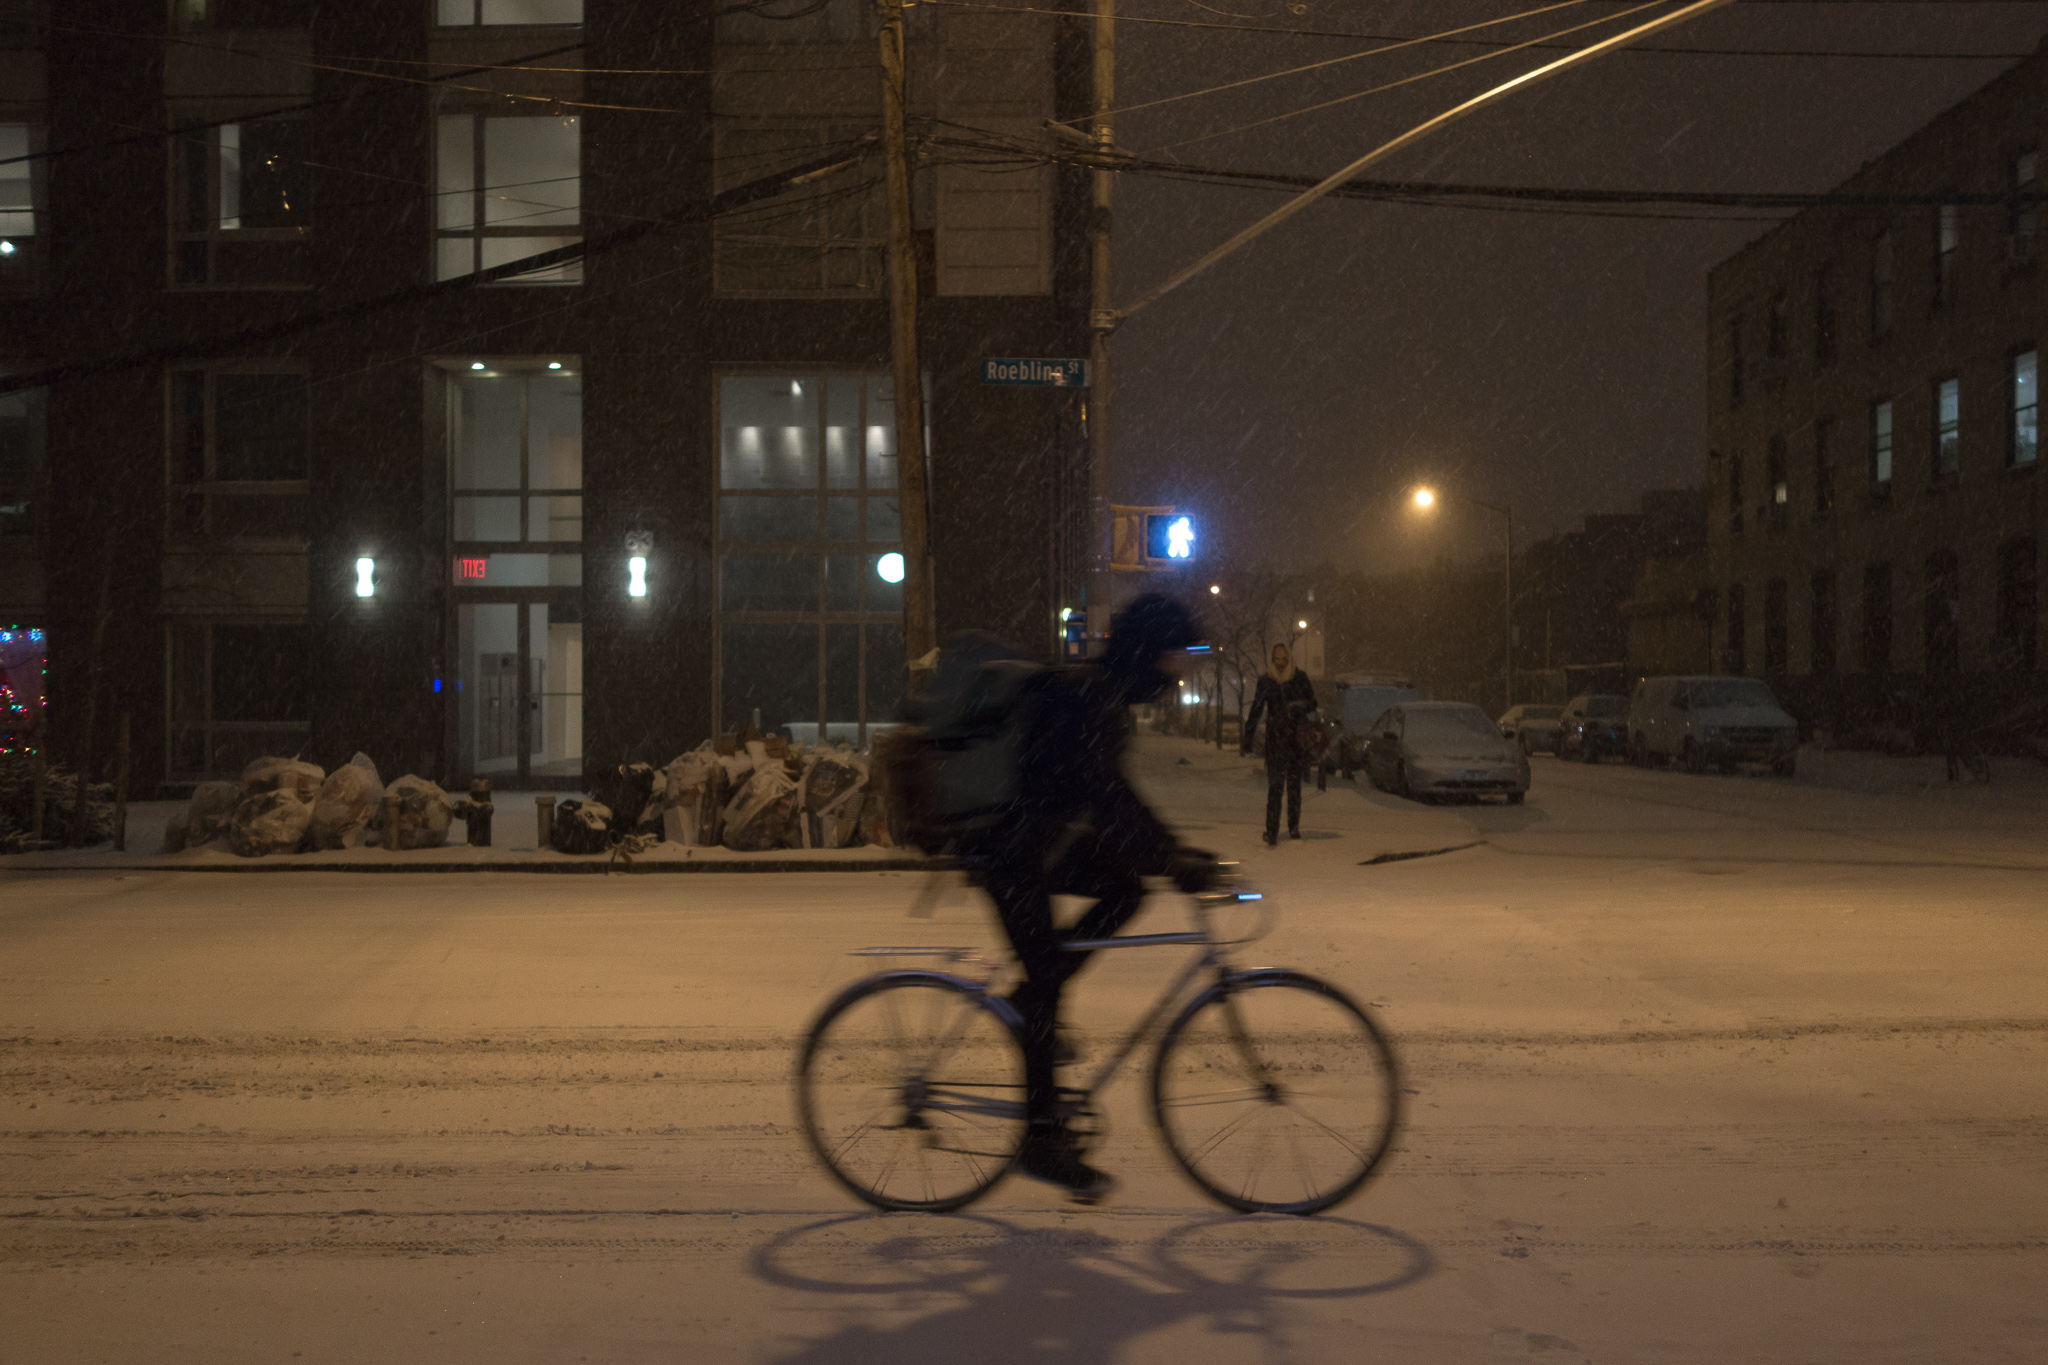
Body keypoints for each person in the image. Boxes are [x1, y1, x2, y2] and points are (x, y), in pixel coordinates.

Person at [972, 593, 1219, 1203]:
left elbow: (1115, 799)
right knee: (1045, 986)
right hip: (1004, 847)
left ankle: (1039, 991)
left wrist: (1170, 853)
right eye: (1170, 659)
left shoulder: (1099, 696)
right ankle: (1040, 1139)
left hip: (1032, 842)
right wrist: (1171, 858)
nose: (1174, 675)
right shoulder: (1090, 698)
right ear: (1145, 654)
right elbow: (1109, 800)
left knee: (1125, 887)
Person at [1241, 642, 1318, 845]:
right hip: (1275, 740)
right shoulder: (1266, 681)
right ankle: (1272, 831)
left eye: (1284, 658)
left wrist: (1299, 706)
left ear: (1289, 658)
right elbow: (1257, 708)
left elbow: (1313, 702)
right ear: (1272, 659)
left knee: (1294, 787)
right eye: (1277, 658)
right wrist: (1248, 735)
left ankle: (1294, 828)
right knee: (1275, 787)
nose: (1281, 662)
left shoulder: (1299, 677)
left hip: (1295, 741)